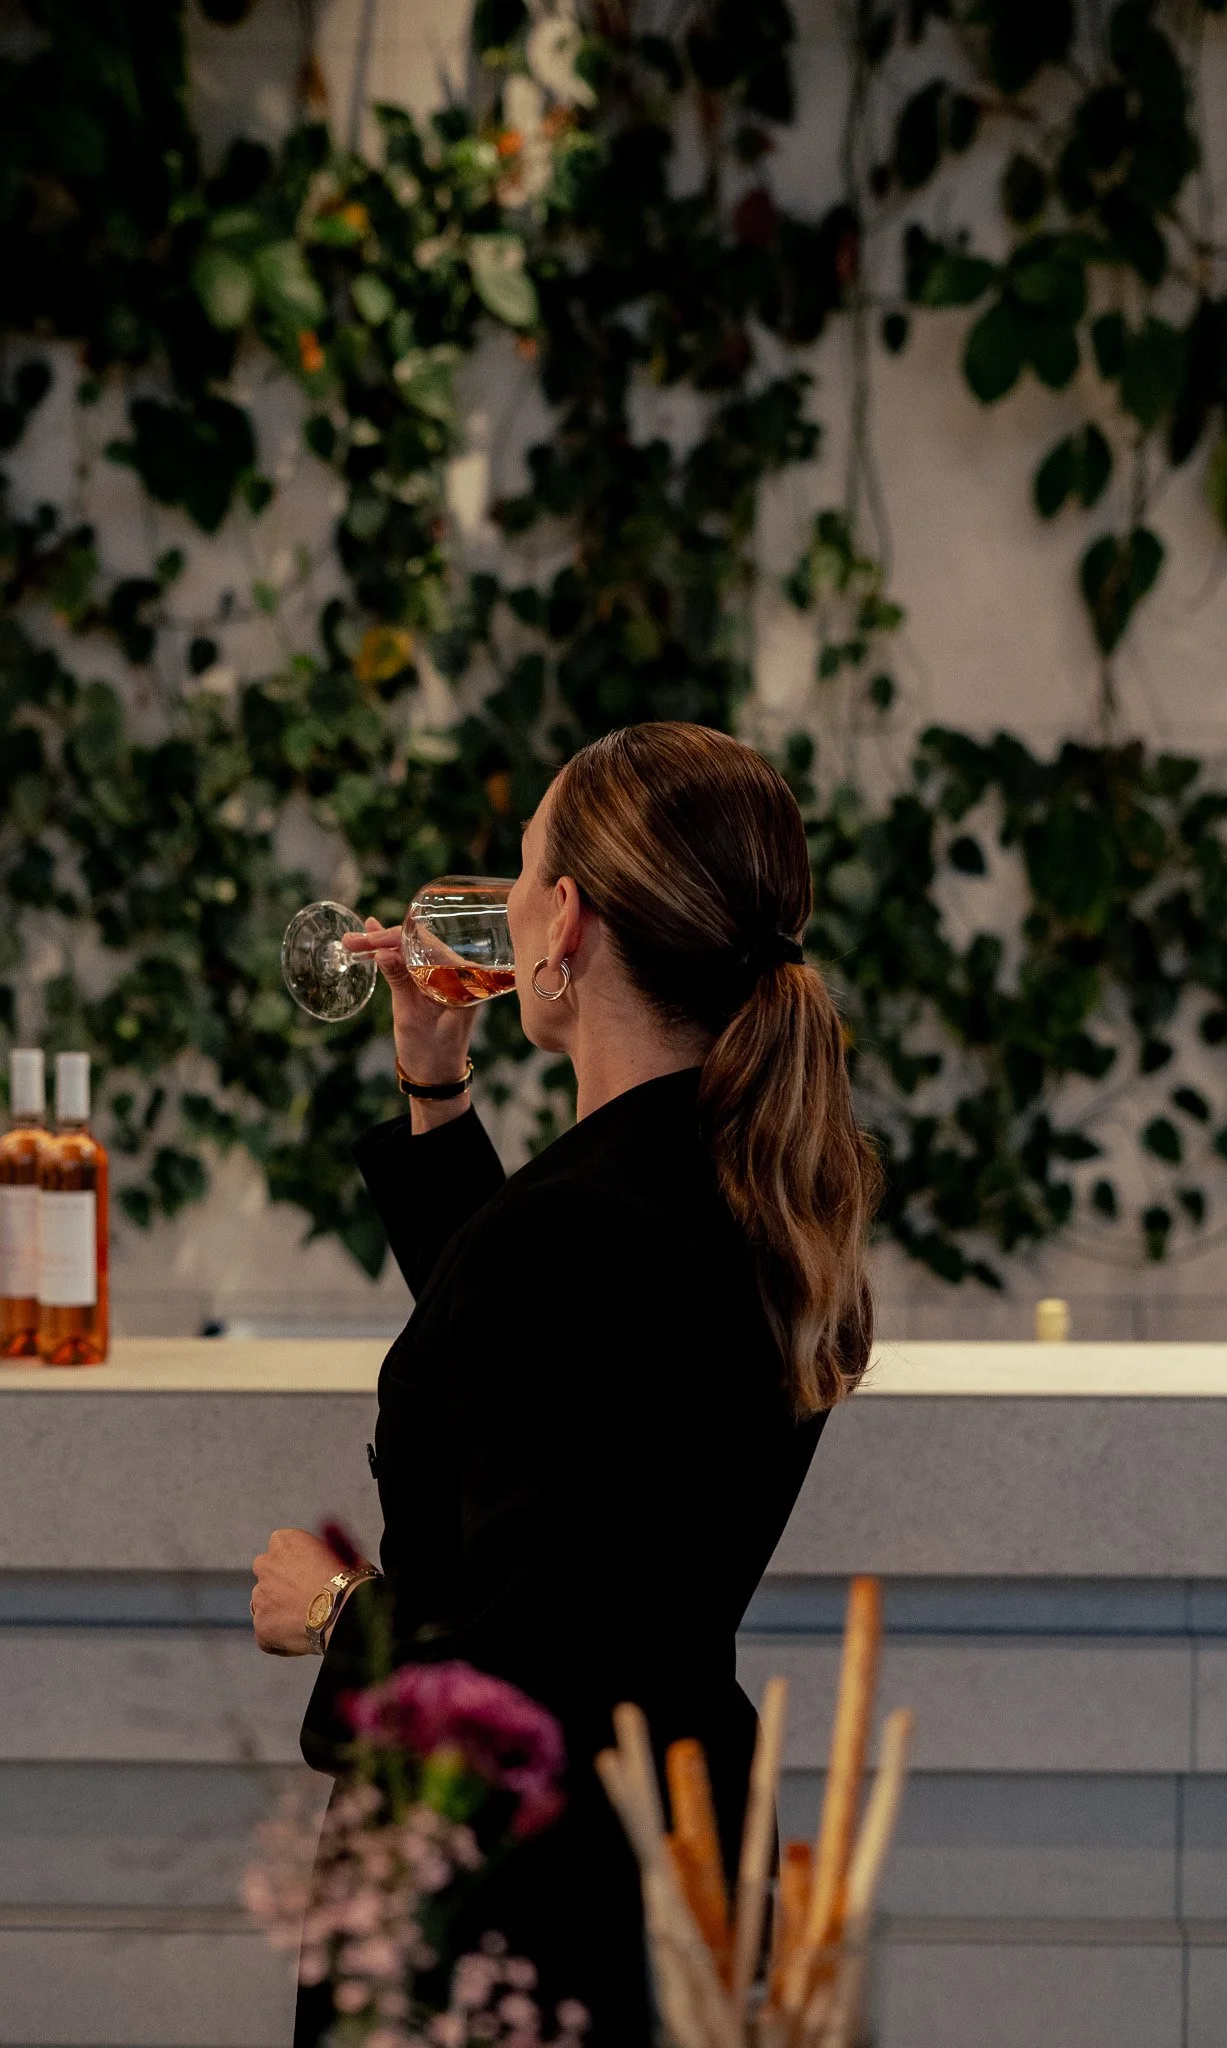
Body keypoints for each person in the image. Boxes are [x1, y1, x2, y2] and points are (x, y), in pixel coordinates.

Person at [251, 721, 881, 2043]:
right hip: (671, 1851)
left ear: (569, 922)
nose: (508, 895)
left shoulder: (585, 1231)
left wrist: (338, 1611)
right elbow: (546, 1395)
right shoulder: (740, 1194)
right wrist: (436, 1095)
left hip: (513, 1916)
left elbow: (532, 1686)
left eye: (527, 867)